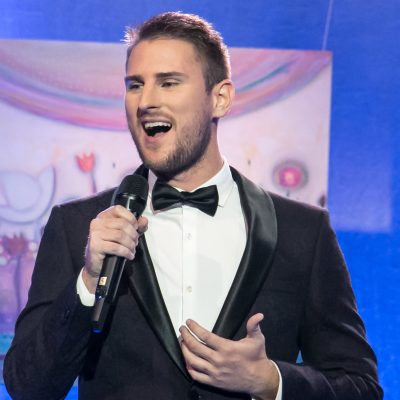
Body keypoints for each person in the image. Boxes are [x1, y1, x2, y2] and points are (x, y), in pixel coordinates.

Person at [3, 12, 382, 400]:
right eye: (135, 85)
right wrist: (87, 282)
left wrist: (270, 381)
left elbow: (361, 387)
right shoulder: (77, 226)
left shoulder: (302, 231)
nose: (146, 101)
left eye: (168, 82)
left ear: (220, 98)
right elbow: (28, 386)